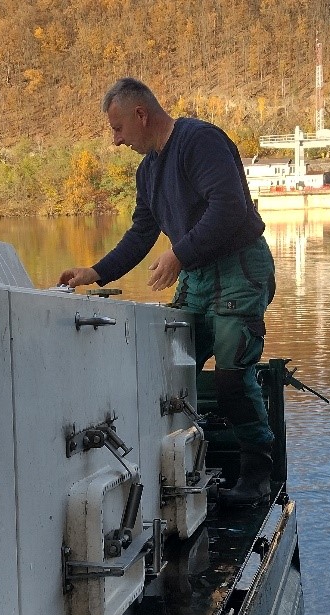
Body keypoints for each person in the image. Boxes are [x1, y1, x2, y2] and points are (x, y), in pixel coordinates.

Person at [59, 77, 277, 505]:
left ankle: (257, 475)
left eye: (118, 128)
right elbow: (142, 234)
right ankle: (186, 464)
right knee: (174, 373)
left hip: (239, 269)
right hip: (197, 276)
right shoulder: (148, 172)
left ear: (142, 115)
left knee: (232, 377)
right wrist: (96, 272)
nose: (116, 140)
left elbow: (229, 207)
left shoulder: (200, 142)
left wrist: (178, 254)